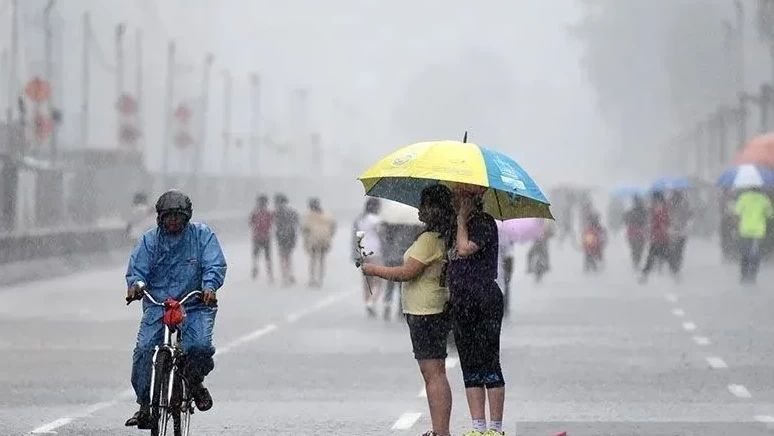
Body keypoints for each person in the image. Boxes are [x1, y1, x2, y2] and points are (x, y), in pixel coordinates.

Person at [124, 190, 226, 428]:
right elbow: (137, 270)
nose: (173, 221)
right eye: (168, 217)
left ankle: (194, 381)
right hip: (158, 305)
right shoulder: (150, 241)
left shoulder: (202, 236)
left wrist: (209, 287)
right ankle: (145, 405)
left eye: (178, 217)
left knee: (199, 347)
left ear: (187, 217)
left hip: (195, 304)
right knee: (143, 350)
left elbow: (214, 263)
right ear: (159, 217)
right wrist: (136, 286)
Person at [361, 185, 455, 436]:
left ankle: (441, 431)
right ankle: (439, 430)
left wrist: (374, 270)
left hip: (426, 311)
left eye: (424, 205)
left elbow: (407, 273)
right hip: (432, 309)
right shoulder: (442, 236)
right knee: (435, 372)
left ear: (435, 209)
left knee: (433, 373)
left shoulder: (429, 240)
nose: (420, 210)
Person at [448, 183, 506, 436]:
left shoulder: (484, 223)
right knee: (469, 364)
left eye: (461, 197)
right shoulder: (453, 226)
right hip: (461, 302)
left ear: (473, 199)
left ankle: (495, 427)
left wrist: (461, 221)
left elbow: (464, 249)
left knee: (489, 362)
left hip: (485, 300)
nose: (456, 201)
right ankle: (477, 426)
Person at [353, 198, 386, 317]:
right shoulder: (377, 220)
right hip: (375, 251)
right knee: (378, 281)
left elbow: (358, 236)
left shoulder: (360, 219)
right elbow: (382, 236)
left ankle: (367, 301)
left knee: (367, 280)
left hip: (363, 252)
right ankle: (371, 302)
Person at [734, 187, 773, 284]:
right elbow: (770, 215)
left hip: (745, 230)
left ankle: (743, 275)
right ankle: (752, 276)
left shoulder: (743, 197)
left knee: (745, 253)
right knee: (755, 254)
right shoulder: (764, 199)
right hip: (758, 232)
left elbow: (737, 213)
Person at [301, 197, 337, 287]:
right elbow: (333, 226)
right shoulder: (327, 215)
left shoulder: (308, 216)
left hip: (313, 240)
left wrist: (305, 241)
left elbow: (304, 229)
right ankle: (319, 279)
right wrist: (329, 235)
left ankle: (313, 279)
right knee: (321, 259)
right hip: (324, 240)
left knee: (313, 260)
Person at [640, 191, 671, 283]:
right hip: (658, 237)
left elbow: (663, 223)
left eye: (654, 199)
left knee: (655, 256)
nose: (652, 201)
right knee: (658, 256)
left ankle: (645, 275)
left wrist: (654, 228)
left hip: (660, 237)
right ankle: (645, 275)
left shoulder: (661, 210)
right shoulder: (658, 209)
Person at [274, 193, 299, 286]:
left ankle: (286, 276)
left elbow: (275, 225)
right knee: (288, 256)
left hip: (283, 236)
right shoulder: (292, 211)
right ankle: (289, 274)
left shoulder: (277, 212)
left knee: (284, 257)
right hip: (290, 236)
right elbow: (296, 223)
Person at [249, 194, 274, 282]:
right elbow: (271, 224)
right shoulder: (268, 213)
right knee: (267, 256)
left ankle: (256, 269)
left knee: (256, 255)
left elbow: (250, 224)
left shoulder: (255, 213)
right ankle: (269, 273)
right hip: (265, 237)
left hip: (257, 237)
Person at [668, 191, 692, 277]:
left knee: (674, 250)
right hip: (680, 231)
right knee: (679, 250)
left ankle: (674, 266)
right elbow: (690, 215)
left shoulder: (669, 204)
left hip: (673, 232)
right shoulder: (684, 204)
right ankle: (676, 266)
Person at [623, 195, 648, 269]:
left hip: (633, 233)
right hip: (640, 234)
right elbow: (646, 221)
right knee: (639, 249)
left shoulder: (631, 211)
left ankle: (635, 262)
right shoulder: (644, 211)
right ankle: (637, 261)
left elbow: (626, 221)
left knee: (634, 249)